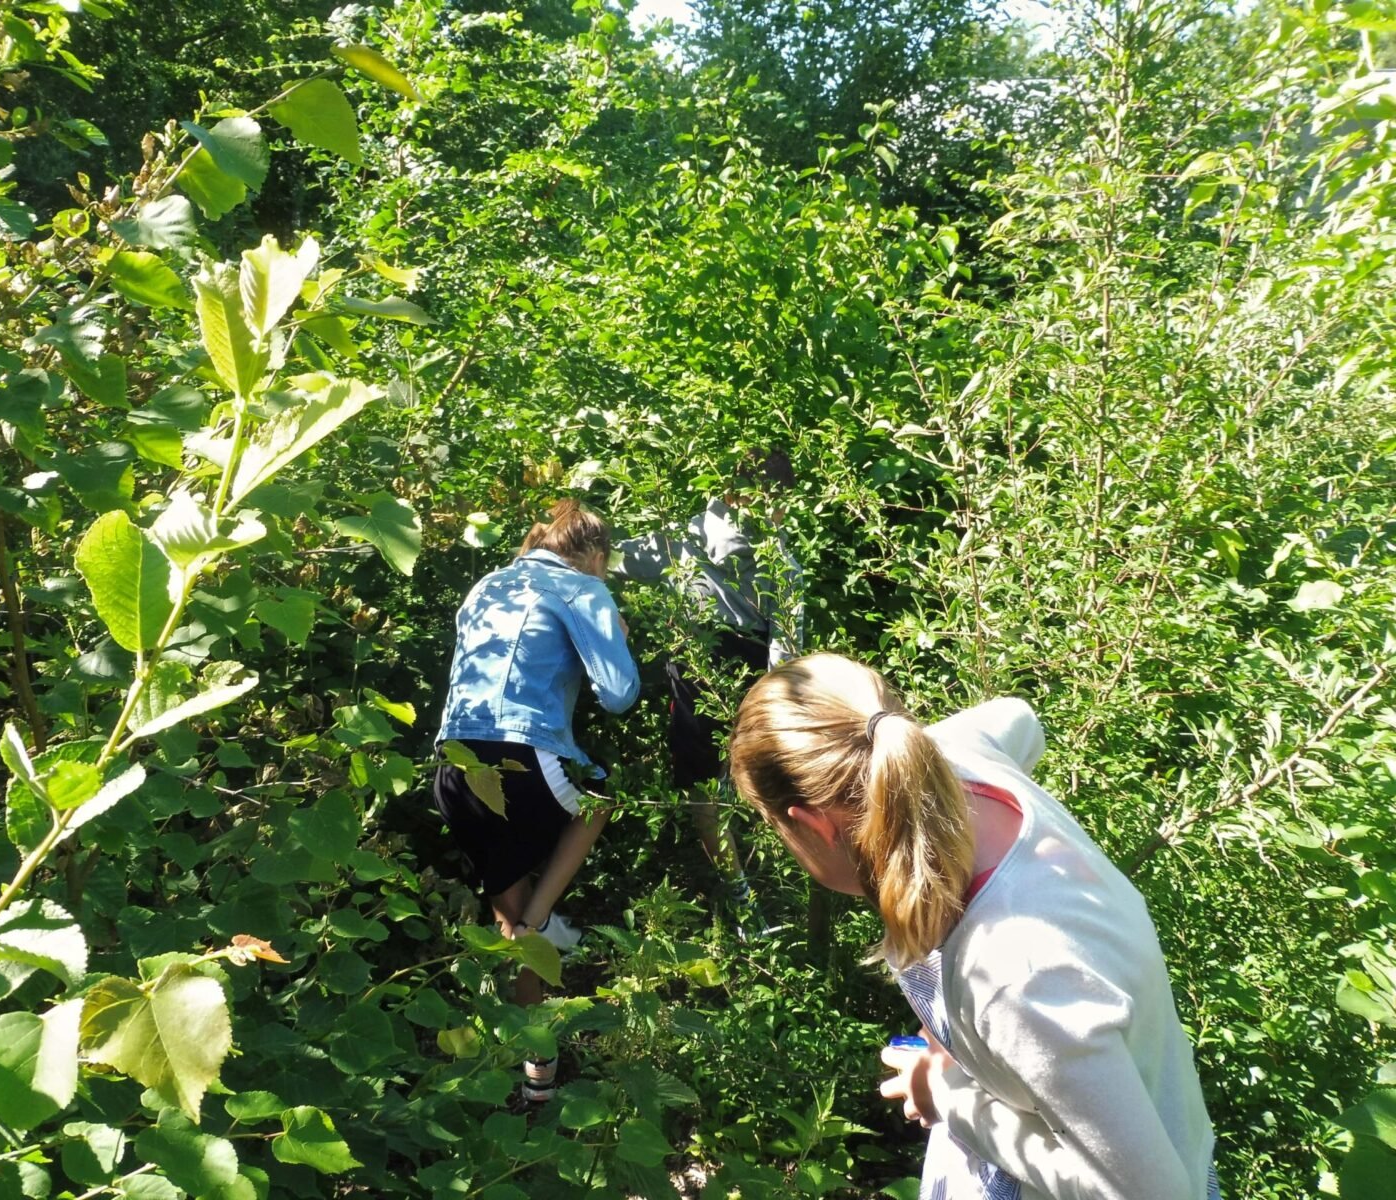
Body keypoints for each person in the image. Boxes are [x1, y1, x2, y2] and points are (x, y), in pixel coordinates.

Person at [727, 654, 1220, 1200]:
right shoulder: (953, 761)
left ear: (813, 824)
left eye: (772, 826)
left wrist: (949, 1096)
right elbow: (1019, 715)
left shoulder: (1015, 978)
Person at [433, 499, 639, 1099]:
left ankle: (534, 1081)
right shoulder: (582, 587)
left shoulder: (489, 584)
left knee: (513, 927)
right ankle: (545, 915)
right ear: (595, 555)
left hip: (453, 764)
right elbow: (619, 694)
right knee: (601, 802)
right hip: (521, 755)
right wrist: (617, 638)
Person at [613, 450, 803, 917]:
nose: (774, 510)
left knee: (707, 789)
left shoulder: (686, 537)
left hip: (704, 668)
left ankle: (745, 899)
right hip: (745, 675)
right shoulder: (776, 557)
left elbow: (611, 558)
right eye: (773, 500)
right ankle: (756, 897)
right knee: (749, 784)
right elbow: (786, 647)